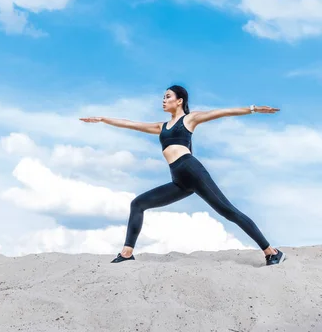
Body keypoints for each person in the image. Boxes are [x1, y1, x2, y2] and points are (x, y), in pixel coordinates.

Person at [79, 85, 285, 266]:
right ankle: (126, 254)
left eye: (167, 96)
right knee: (138, 204)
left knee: (229, 212)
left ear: (179, 101)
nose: (163, 100)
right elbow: (130, 123)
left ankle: (271, 252)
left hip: (192, 170)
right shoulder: (161, 127)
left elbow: (222, 112)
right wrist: (103, 119)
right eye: (163, 97)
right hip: (179, 180)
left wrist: (253, 109)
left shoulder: (189, 119)